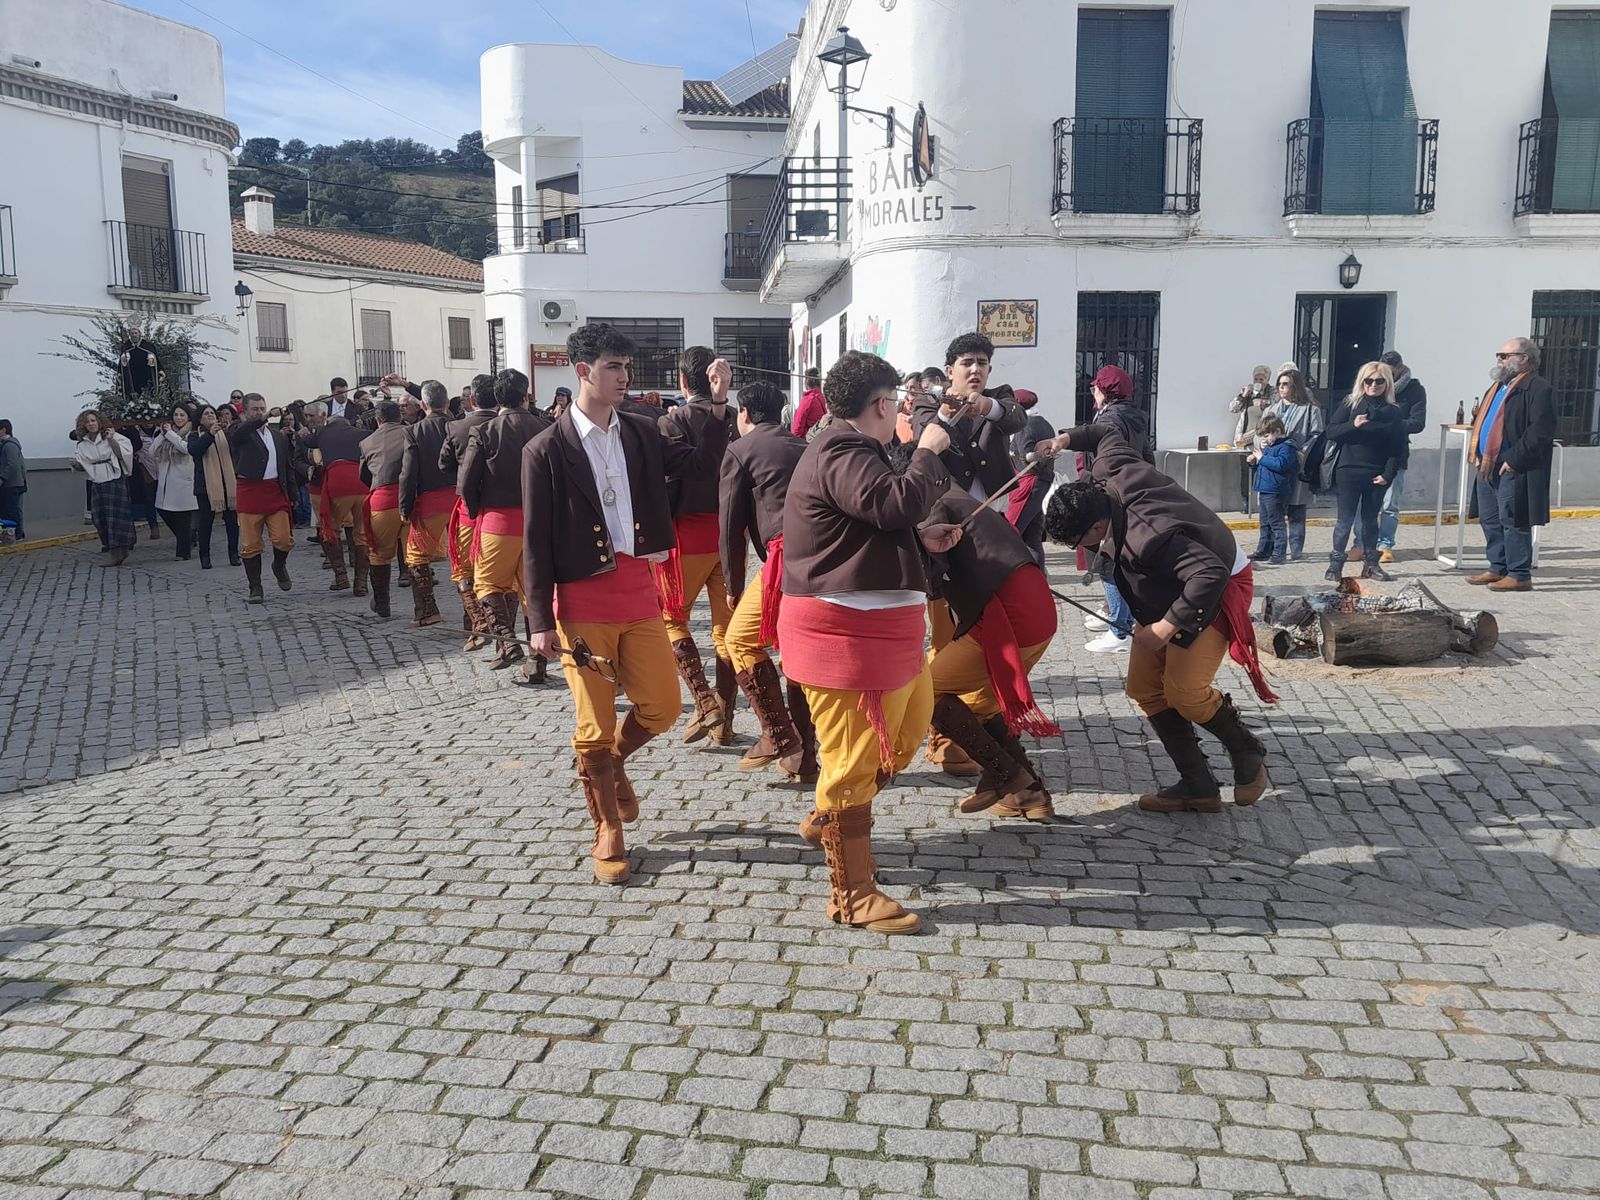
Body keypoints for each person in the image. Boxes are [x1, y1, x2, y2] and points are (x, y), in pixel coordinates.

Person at [522, 323, 731, 885]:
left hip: (639, 590)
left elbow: (699, 466)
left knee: (662, 708)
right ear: (583, 370)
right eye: (613, 366)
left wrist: (715, 406)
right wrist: (539, 619)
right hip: (583, 601)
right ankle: (607, 827)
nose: (624, 376)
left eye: (626, 367)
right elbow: (535, 540)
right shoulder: (544, 448)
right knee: (592, 724)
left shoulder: (642, 430)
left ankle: (610, 766)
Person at [778, 350, 959, 935]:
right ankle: (851, 892)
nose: (904, 413)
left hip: (888, 629)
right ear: (883, 405)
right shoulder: (839, 448)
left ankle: (829, 817)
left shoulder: (855, 450)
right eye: (899, 404)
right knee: (853, 763)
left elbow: (876, 518)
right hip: (846, 634)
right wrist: (928, 449)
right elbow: (891, 503)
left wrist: (921, 534)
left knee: (904, 739)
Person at [1040, 423, 1274, 815]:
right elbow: (1106, 432)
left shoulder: (1149, 535)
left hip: (1215, 584)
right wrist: (1066, 439)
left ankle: (1246, 749)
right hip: (1171, 582)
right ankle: (1197, 785)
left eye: (1075, 542)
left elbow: (1208, 574)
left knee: (1185, 693)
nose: (1075, 550)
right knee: (1145, 686)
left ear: (1097, 527)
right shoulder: (1108, 469)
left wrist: (1166, 627)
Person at [923, 482, 1060, 822]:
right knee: (980, 705)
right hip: (1037, 614)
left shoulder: (931, 504)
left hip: (1008, 617)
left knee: (924, 690)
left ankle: (1003, 771)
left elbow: (929, 573)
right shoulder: (956, 498)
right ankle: (1030, 794)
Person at [717, 379, 814, 779]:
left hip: (783, 559)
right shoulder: (804, 446)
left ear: (744, 414)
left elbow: (729, 529)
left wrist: (732, 587)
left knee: (737, 640)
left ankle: (777, 733)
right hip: (819, 558)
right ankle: (805, 760)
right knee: (794, 658)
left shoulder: (740, 449)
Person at [656, 346, 741, 746]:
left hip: (686, 536)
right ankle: (724, 723)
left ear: (683, 381)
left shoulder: (671, 422)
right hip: (728, 537)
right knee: (725, 631)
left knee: (672, 619)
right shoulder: (734, 423)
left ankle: (705, 702)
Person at [457, 367, 552, 675]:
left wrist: (475, 511)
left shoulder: (485, 432)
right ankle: (536, 662)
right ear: (526, 396)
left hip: (498, 521)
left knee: (486, 583)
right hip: (539, 521)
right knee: (533, 592)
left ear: (496, 398)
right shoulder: (546, 427)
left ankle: (507, 641)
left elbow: (466, 483)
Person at [1467, 336, 1557, 593]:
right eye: (1499, 355)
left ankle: (1519, 573)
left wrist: (1514, 459)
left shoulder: (1537, 388)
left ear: (1524, 359)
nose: (1499, 359)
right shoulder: (1498, 387)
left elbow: (1540, 430)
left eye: (1505, 355)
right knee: (1490, 518)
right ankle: (1498, 567)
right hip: (1487, 465)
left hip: (1513, 466)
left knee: (1513, 519)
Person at [1080, 365, 1150, 653]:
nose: (1092, 391)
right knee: (1114, 559)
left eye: (1096, 387)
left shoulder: (1111, 419)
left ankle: (1120, 630)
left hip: (1112, 496)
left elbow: (1105, 462)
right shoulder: (1132, 416)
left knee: (1109, 562)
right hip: (1128, 492)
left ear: (1106, 392)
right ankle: (1117, 615)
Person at [1324, 362, 1406, 583]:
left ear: (1387, 383)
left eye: (1379, 381)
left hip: (1376, 474)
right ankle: (1335, 565)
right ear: (1362, 381)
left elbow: (1397, 448)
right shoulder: (1351, 404)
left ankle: (1371, 565)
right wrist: (1353, 425)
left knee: (1370, 521)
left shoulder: (1393, 412)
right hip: (1348, 470)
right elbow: (1331, 431)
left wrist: (1388, 475)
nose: (1373, 385)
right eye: (1368, 380)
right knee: (1344, 521)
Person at [442, 377, 499, 650]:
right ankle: (499, 629)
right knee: (503, 574)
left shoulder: (457, 427)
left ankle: (479, 622)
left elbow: (444, 464)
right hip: (504, 508)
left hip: (469, 508)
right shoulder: (510, 424)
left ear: (472, 400)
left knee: (464, 567)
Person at [397, 380, 458, 628]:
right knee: (465, 559)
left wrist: (405, 507)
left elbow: (408, 473)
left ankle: (427, 611)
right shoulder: (458, 426)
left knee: (415, 557)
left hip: (430, 503)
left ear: (422, 405)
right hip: (459, 500)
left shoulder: (414, 431)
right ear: (446, 403)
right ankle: (475, 616)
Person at [231, 393, 298, 603]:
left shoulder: (277, 436)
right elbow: (240, 432)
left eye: (262, 408)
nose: (259, 412)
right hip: (249, 491)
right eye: (255, 409)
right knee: (251, 545)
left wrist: (292, 492)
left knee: (284, 539)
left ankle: (279, 566)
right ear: (245, 411)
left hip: (275, 491)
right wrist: (264, 417)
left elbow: (286, 465)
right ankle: (255, 587)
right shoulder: (239, 431)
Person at [302, 400, 370, 595]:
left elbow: (308, 442)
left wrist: (303, 433)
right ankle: (361, 583)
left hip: (338, 483)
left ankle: (341, 577)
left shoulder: (323, 432)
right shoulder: (360, 434)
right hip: (361, 484)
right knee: (361, 533)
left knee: (331, 529)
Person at [1372, 350, 1428, 564]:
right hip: (1369, 451)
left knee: (1389, 503)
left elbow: (1418, 422)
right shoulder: (1374, 384)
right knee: (1365, 503)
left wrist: (1390, 425)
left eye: (1389, 372)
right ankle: (1362, 543)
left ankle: (1385, 545)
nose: (1382, 377)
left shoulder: (1414, 390)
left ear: (1400, 369)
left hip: (1396, 452)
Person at [358, 400, 412, 619]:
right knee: (416, 556)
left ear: (378, 420)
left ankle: (382, 603)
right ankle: (424, 608)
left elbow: (363, 476)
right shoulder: (412, 432)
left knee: (379, 555)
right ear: (400, 416)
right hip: (411, 499)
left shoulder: (367, 442)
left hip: (382, 501)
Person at [1263, 367, 1323, 560]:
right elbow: (1259, 433)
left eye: (1286, 384)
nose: (1281, 388)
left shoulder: (1310, 409)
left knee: (1296, 508)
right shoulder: (1271, 410)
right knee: (1273, 509)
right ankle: (1272, 549)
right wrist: (1262, 443)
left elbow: (1317, 435)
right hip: (1274, 465)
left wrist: (1303, 450)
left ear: (1295, 386)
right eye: (1279, 384)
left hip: (1297, 463)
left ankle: (1296, 550)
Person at [70, 410, 136, 565]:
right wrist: (77, 465)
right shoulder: (83, 443)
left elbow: (124, 454)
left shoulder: (112, 436)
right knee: (99, 516)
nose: (91, 424)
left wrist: (112, 440)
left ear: (99, 421)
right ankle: (112, 546)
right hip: (97, 480)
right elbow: (82, 462)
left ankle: (118, 551)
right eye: (87, 422)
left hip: (114, 478)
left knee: (116, 517)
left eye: (93, 420)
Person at [1004, 388, 1056, 569]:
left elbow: (1027, 456)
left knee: (1010, 532)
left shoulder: (1026, 425)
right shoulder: (1044, 423)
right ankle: (1039, 580)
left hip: (1029, 481)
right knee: (1031, 538)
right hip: (1038, 481)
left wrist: (1031, 457)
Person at [188, 405, 239, 569]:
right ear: (200, 418)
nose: (210, 415)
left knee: (232, 520)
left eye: (212, 413)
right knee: (206, 522)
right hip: (206, 485)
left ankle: (234, 553)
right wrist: (210, 434)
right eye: (206, 414)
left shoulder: (225, 434)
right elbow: (195, 450)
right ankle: (205, 555)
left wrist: (227, 429)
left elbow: (235, 449)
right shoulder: (195, 435)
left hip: (227, 482)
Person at [1247, 414, 1297, 565]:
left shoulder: (1287, 447)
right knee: (1264, 522)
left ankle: (1279, 553)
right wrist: (1254, 462)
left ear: (1276, 431)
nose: (1265, 439)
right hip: (1265, 488)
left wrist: (1262, 458)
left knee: (1276, 523)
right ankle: (1263, 550)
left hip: (1276, 490)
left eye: (1267, 435)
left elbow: (1281, 465)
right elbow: (1264, 466)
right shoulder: (1269, 447)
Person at [152, 404, 199, 560]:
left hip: (184, 481)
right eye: (176, 415)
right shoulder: (166, 433)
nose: (178, 418)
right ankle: (188, 537)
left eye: (182, 415)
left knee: (183, 517)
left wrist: (171, 434)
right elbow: (152, 451)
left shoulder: (192, 432)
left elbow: (186, 448)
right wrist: (162, 434)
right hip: (166, 480)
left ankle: (183, 553)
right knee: (164, 511)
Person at [1230, 365, 1273, 447]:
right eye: (1255, 379)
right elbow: (1232, 409)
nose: (1258, 382)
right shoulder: (1248, 393)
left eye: (1261, 379)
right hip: (1244, 439)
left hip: (1262, 439)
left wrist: (1264, 403)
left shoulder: (1272, 392)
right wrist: (1243, 395)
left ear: (1267, 380)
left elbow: (1276, 409)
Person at [0, 419, 26, 541]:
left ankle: (17, 534)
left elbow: (13, 465)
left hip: (11, 484)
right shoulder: (9, 444)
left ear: (4, 430)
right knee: (10, 509)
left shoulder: (9, 445)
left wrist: (2, 477)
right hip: (13, 483)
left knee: (12, 510)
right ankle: (13, 534)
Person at [791, 367, 825, 439]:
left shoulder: (808, 400)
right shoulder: (823, 398)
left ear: (806, 382)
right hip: (821, 440)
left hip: (808, 443)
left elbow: (797, 427)